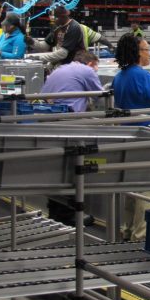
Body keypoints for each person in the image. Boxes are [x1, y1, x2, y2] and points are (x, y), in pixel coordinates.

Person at [112, 33, 150, 241]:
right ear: (137, 53)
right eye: (147, 50)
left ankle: (127, 230)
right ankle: (142, 237)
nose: (149, 53)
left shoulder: (120, 76)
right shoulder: (143, 76)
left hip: (128, 139)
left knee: (132, 189)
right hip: (147, 139)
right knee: (149, 192)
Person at [41, 50, 103, 225]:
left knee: (57, 168)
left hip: (49, 121)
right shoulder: (87, 71)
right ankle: (68, 214)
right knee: (73, 166)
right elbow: (101, 97)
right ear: (91, 64)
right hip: (68, 123)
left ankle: (56, 210)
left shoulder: (59, 69)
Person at [26, 0, 85, 68]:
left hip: (74, 65)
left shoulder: (74, 27)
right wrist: (32, 42)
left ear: (62, 16)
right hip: (62, 65)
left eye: (54, 18)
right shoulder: (57, 28)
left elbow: (63, 53)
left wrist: (40, 58)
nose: (52, 20)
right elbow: (45, 46)